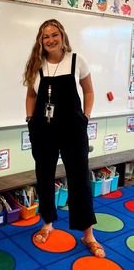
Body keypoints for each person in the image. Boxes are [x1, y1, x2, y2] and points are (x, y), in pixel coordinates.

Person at [23, 19, 105, 258]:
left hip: (73, 129)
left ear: (62, 36)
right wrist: (30, 119)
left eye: (54, 34)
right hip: (43, 130)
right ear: (41, 40)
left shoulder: (77, 61)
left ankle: (88, 233)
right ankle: (47, 222)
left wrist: (86, 116)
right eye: (45, 36)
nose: (50, 40)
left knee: (79, 179)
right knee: (44, 177)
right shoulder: (36, 65)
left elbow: (89, 91)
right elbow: (30, 96)